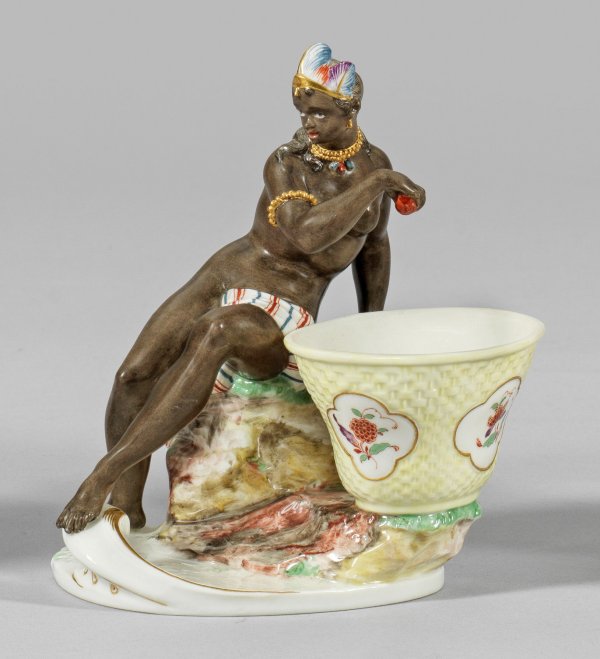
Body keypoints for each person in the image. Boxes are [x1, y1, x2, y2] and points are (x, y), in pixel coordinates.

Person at [57, 43, 425, 533]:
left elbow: (374, 247)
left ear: (350, 109)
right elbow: (304, 234)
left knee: (219, 331)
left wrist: (370, 325)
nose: (308, 123)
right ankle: (127, 508)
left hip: (285, 308)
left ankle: (101, 475)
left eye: (319, 112)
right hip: (229, 272)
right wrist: (378, 183)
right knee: (133, 375)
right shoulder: (287, 162)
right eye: (302, 111)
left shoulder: (374, 165)